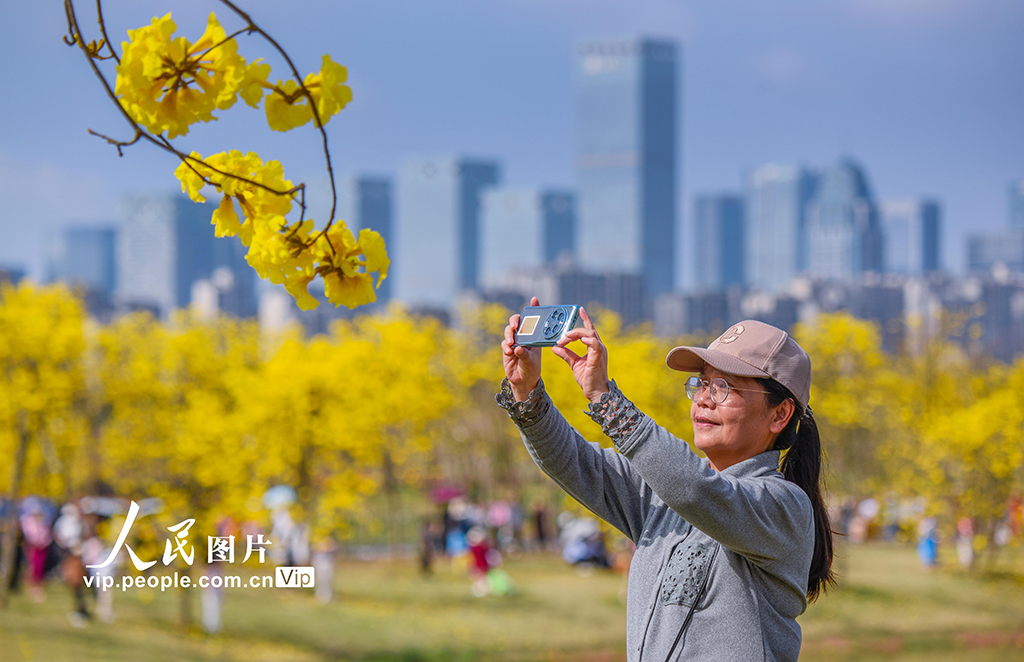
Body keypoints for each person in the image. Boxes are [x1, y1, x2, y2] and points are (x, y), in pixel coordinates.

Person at [496, 299, 834, 662]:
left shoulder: (785, 505)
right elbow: (576, 463)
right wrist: (527, 391)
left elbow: (696, 490)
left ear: (780, 414)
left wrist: (605, 400)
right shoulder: (662, 492)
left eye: (724, 388)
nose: (704, 400)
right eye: (701, 384)